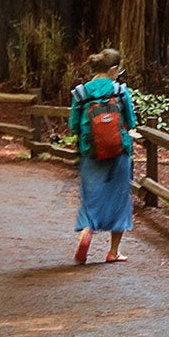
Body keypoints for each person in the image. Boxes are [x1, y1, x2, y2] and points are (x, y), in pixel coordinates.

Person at [68, 47, 137, 264]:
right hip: (119, 151)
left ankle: (87, 230)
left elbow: (73, 125)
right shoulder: (120, 91)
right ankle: (113, 252)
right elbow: (131, 121)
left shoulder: (80, 93)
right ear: (114, 69)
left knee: (91, 196)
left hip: (90, 152)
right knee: (119, 199)